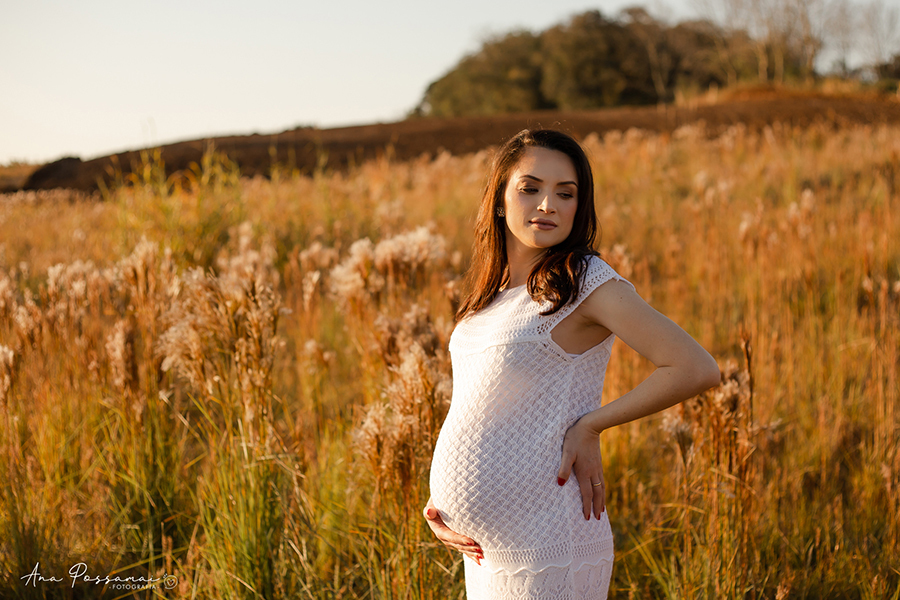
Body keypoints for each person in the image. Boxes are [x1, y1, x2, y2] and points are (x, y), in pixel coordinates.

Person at [423, 129, 721, 599]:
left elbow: (694, 367)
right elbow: (480, 408)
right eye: (531, 188)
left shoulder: (583, 281)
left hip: (548, 542)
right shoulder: (491, 295)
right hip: (484, 553)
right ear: (499, 200)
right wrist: (445, 501)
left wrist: (591, 426)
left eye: (566, 193)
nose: (548, 204)